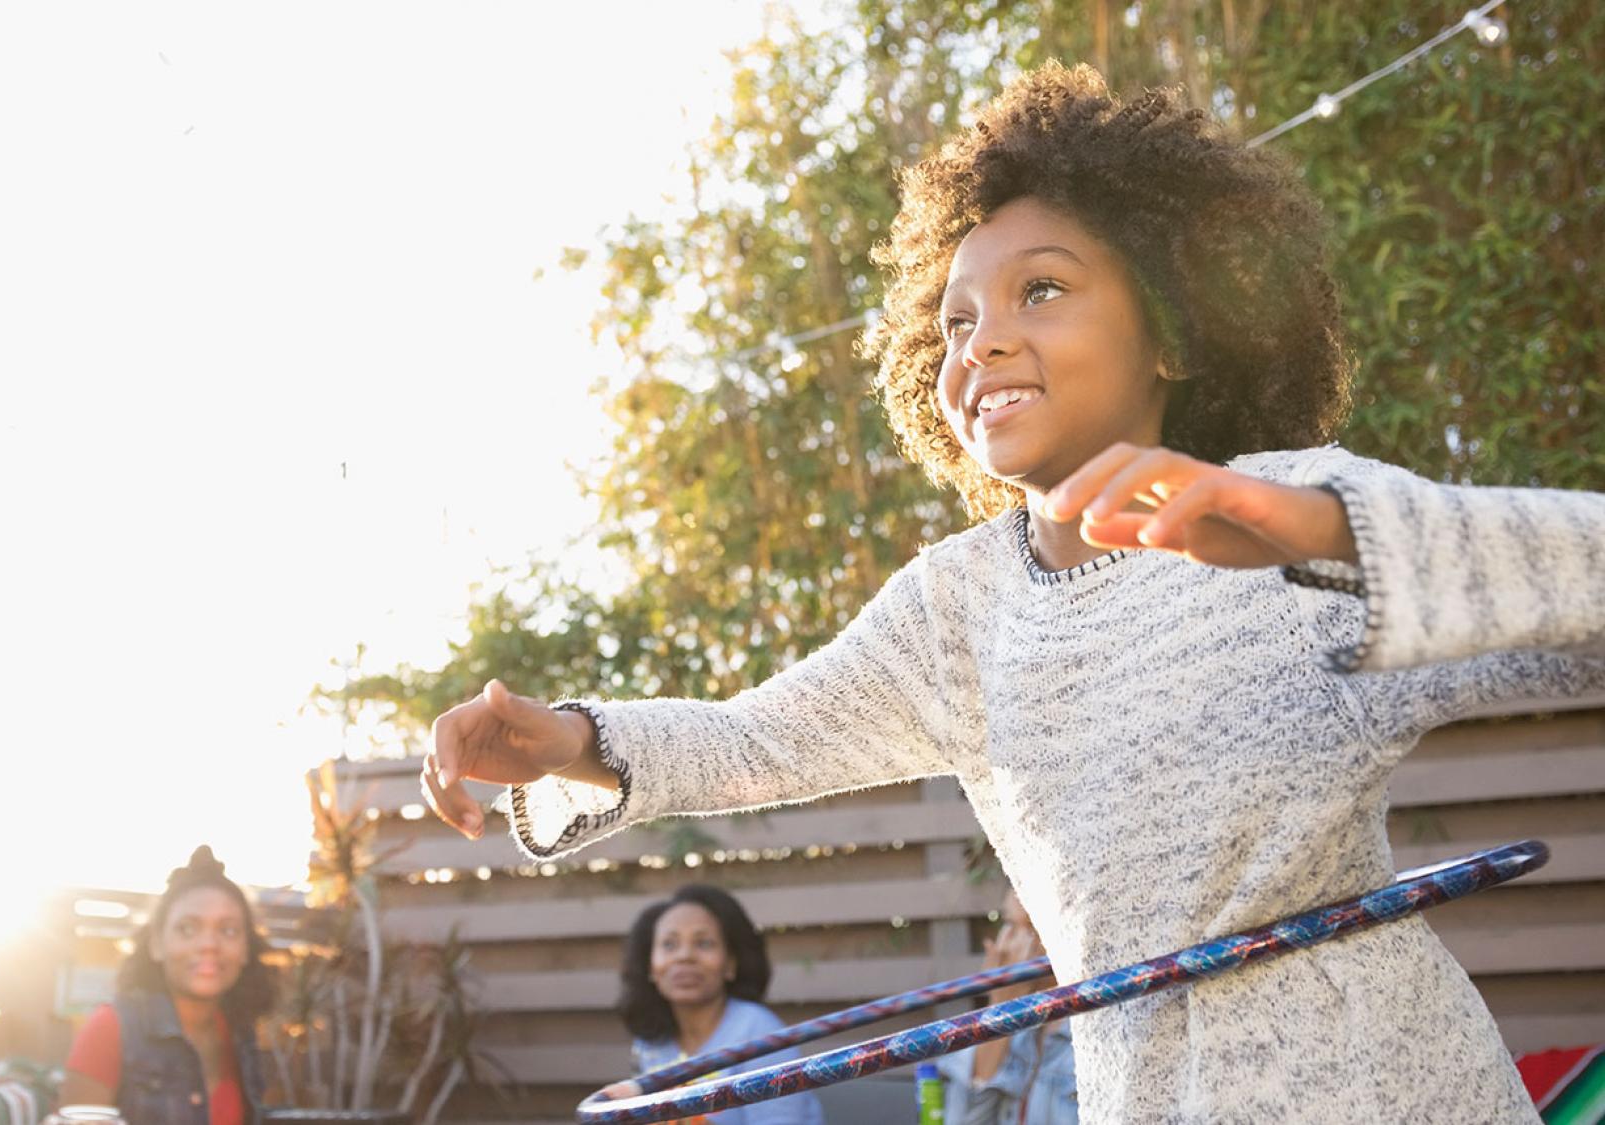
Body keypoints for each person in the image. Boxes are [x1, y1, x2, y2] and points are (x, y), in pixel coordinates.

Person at [417, 62, 1605, 1121]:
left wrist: (1333, 537)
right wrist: (566, 738)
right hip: (1138, 1084)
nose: (977, 342)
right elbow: (759, 740)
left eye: (1040, 289)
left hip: (1376, 1083)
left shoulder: (1287, 510)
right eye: (952, 319)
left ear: (1173, 337)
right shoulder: (959, 608)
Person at [59, 846, 273, 1125]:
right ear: (157, 944)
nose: (209, 944)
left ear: (246, 949)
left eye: (228, 930)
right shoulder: (111, 1027)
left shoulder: (241, 1034)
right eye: (187, 928)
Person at [616, 885, 823, 1125]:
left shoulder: (760, 1034)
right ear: (650, 966)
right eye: (669, 945)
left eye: (704, 944)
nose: (685, 956)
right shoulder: (649, 1045)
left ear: (731, 964)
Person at [934, 889, 1077, 1125]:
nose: (1008, 944)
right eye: (1008, 924)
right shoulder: (1020, 1029)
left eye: (1028, 928)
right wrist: (1000, 1006)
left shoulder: (1090, 1038)